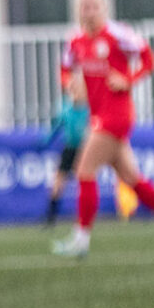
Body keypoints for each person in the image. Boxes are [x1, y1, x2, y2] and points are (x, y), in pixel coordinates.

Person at [51, 0, 154, 259]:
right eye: (84, 7)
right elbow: (64, 69)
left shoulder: (117, 34)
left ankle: (81, 240)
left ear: (104, 8)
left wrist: (129, 79)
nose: (89, 11)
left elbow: (149, 59)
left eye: (94, 6)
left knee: (84, 170)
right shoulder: (75, 41)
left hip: (117, 115)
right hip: (98, 116)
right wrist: (69, 84)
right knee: (131, 178)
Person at [42, 74, 90, 226]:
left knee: (85, 180)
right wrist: (44, 141)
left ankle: (85, 217)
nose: (73, 90)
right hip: (69, 148)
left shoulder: (90, 107)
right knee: (58, 180)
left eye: (77, 87)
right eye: (71, 87)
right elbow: (56, 127)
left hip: (86, 149)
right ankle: (51, 216)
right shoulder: (65, 107)